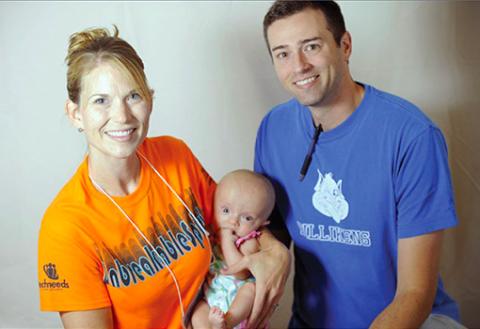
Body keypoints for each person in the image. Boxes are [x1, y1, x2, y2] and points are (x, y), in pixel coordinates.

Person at [38, 26, 290, 329]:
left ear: (150, 100)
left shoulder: (175, 155)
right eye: (101, 100)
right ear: (75, 113)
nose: (122, 116)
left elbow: (232, 219)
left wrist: (277, 253)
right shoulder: (65, 228)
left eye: (133, 96)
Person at [255, 1, 465, 328]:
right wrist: (270, 253)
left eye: (311, 46)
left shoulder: (412, 135)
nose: (299, 66)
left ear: (345, 45)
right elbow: (269, 230)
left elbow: (415, 292)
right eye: (282, 53)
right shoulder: (273, 129)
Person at [191, 170, 275, 329]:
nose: (233, 221)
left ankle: (227, 323)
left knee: (251, 290)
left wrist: (226, 241)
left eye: (247, 218)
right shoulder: (213, 234)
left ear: (262, 223)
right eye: (226, 211)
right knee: (196, 310)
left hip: (237, 306)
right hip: (212, 299)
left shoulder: (249, 242)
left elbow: (240, 272)